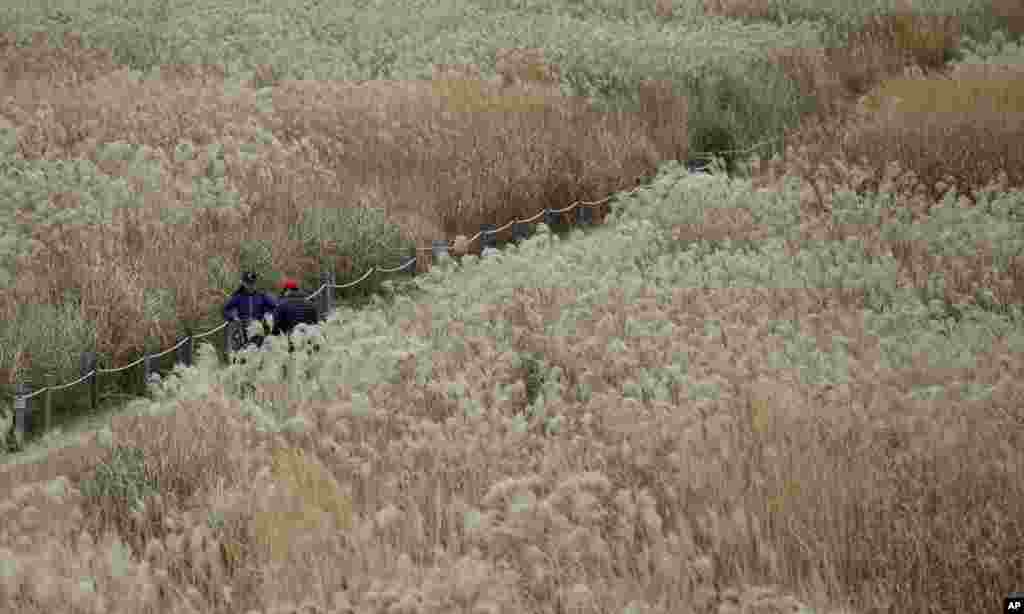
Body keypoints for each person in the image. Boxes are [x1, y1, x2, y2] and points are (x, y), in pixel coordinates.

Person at [222, 271, 278, 350]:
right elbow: (225, 309)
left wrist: (268, 315)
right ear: (244, 283)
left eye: (253, 283)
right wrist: (233, 318)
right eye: (248, 283)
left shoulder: (262, 295)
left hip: (259, 328)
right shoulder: (238, 297)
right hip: (242, 328)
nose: (251, 286)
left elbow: (275, 307)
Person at [272, 278, 322, 353]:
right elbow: (315, 324)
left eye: (284, 291)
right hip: (309, 344)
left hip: (291, 343)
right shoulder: (311, 304)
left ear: (288, 290)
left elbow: (276, 326)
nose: (283, 294)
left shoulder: (282, 305)